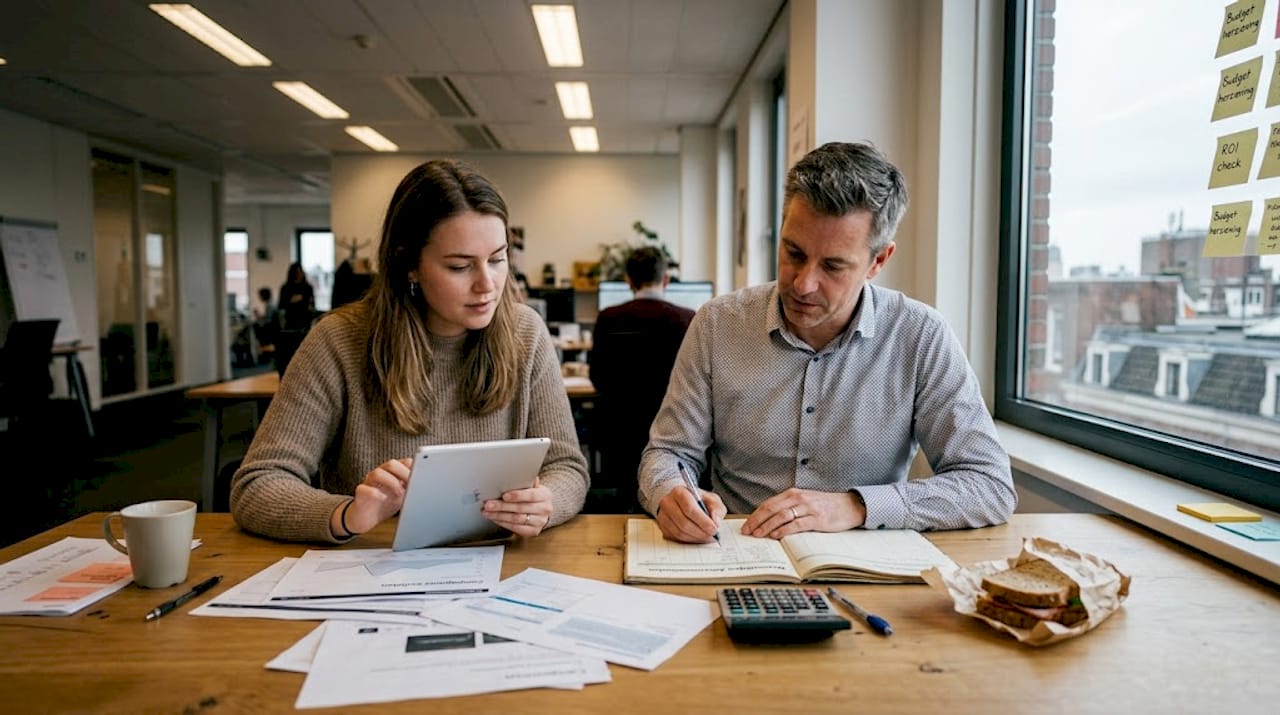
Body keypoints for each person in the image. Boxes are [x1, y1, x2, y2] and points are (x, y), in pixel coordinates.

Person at [638, 141, 1015, 544]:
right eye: (793, 253)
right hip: (737, 552)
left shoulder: (920, 335)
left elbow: (988, 485)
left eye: (833, 266)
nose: (804, 284)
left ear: (878, 261)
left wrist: (856, 506)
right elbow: (668, 453)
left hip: (864, 563)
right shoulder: (718, 324)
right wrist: (670, 494)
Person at [231, 159, 589, 542]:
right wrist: (345, 513)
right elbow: (257, 484)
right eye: (459, 266)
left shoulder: (524, 333)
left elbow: (566, 466)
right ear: (409, 264)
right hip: (372, 571)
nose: (487, 284)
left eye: (497, 259)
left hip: (497, 568)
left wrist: (545, 502)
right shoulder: (338, 341)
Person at [589, 246, 695, 512]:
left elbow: (597, 376)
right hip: (673, 430)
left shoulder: (608, 318)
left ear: (629, 281)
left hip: (619, 432)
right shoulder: (687, 319)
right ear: (666, 279)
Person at [277, 262, 316, 332]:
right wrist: (291, 301)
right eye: (297, 272)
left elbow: (312, 304)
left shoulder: (308, 288)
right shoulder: (286, 288)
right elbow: (281, 305)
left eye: (300, 272)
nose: (299, 274)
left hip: (304, 321)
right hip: (291, 321)